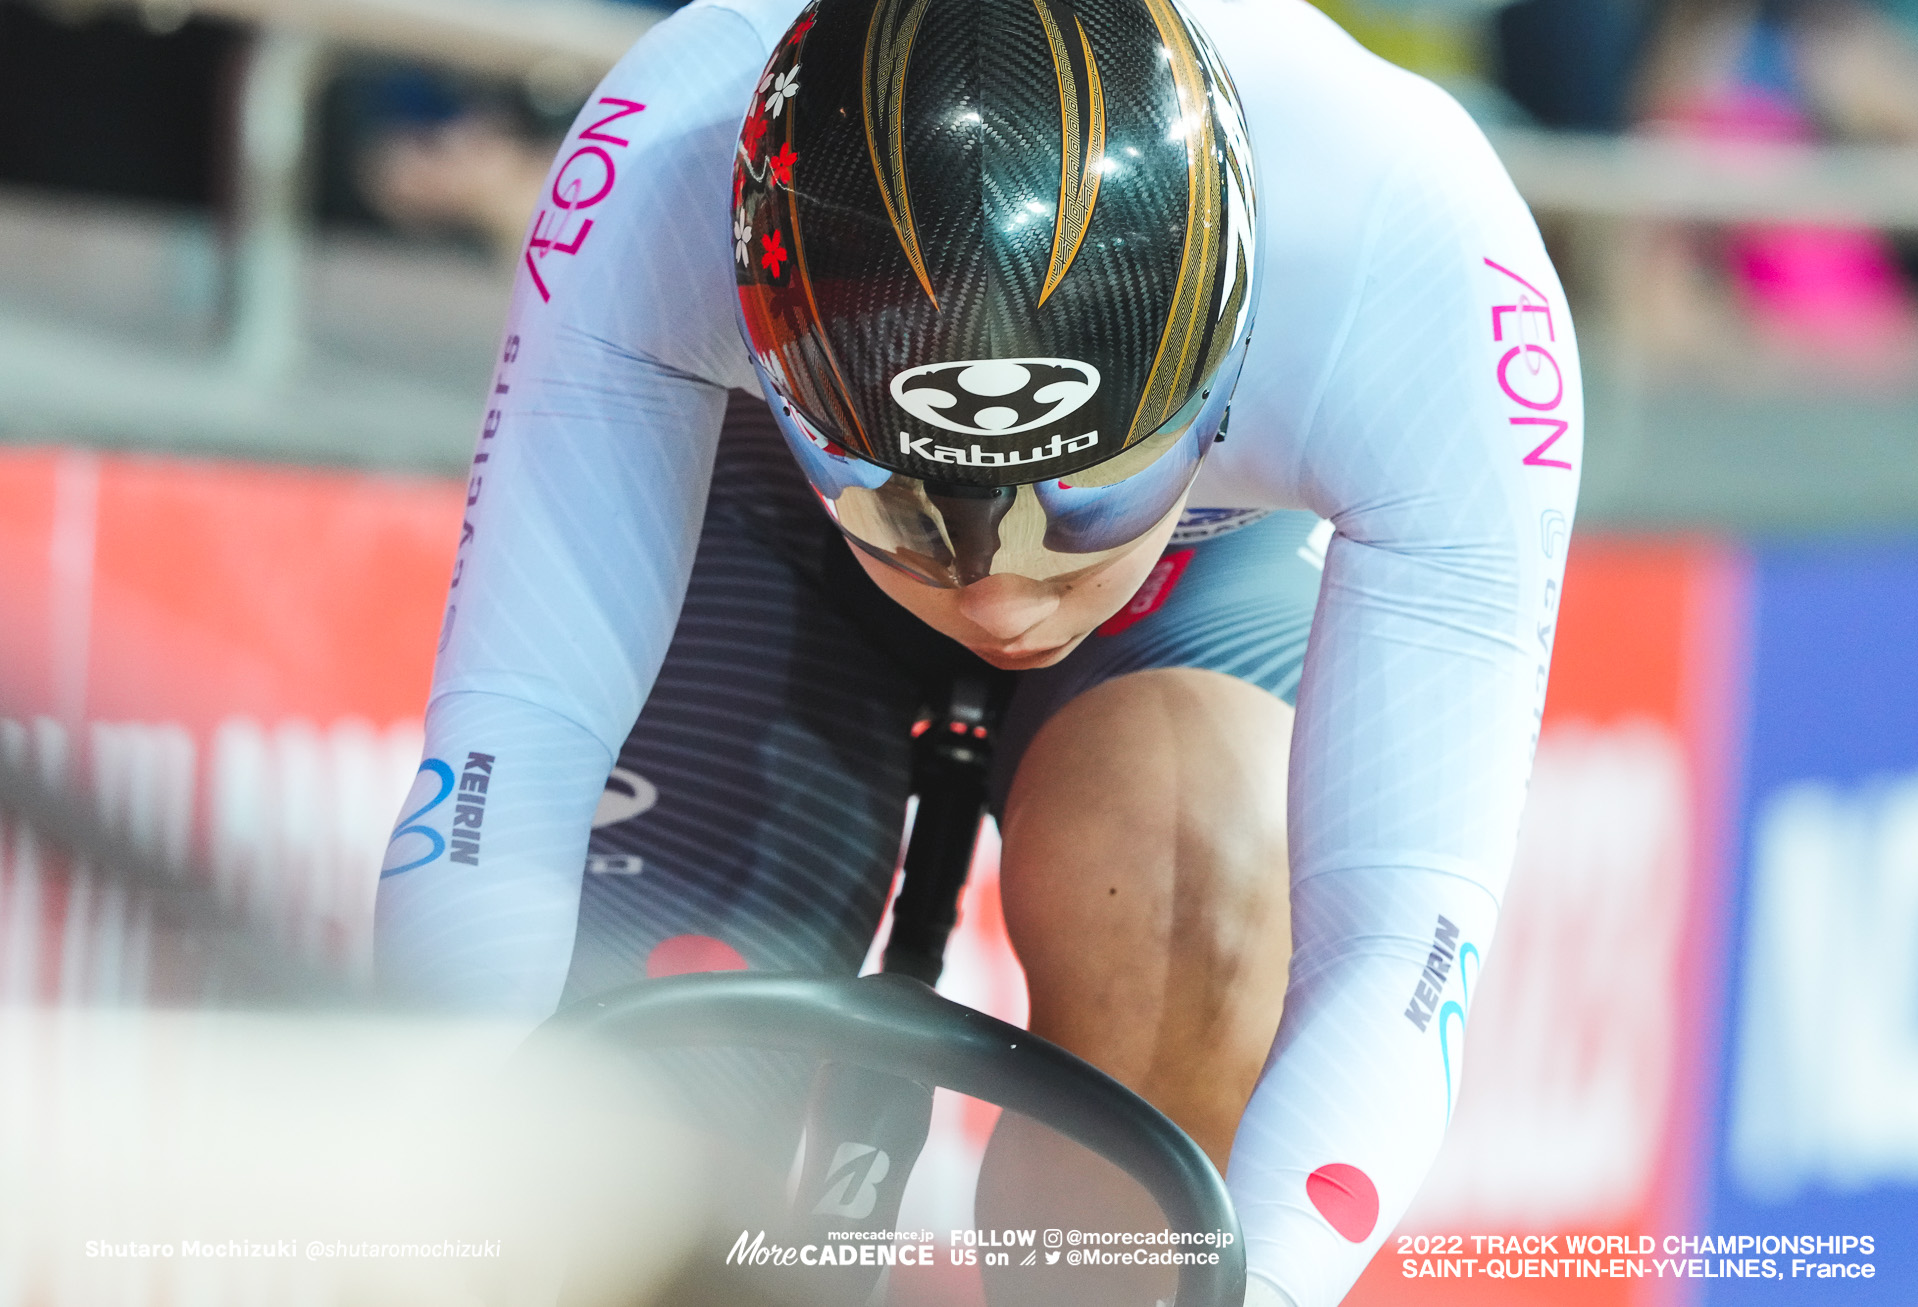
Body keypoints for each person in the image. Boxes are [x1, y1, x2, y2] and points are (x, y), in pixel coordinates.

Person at [373, 0, 1582, 1301]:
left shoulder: (1418, 255)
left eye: (1085, 507)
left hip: (1184, 573)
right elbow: (505, 769)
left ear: (1225, 373)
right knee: (645, 1071)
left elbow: (1400, 945)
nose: (1005, 596)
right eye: (920, 517)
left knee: (1195, 911)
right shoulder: (669, 155)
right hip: (772, 515)